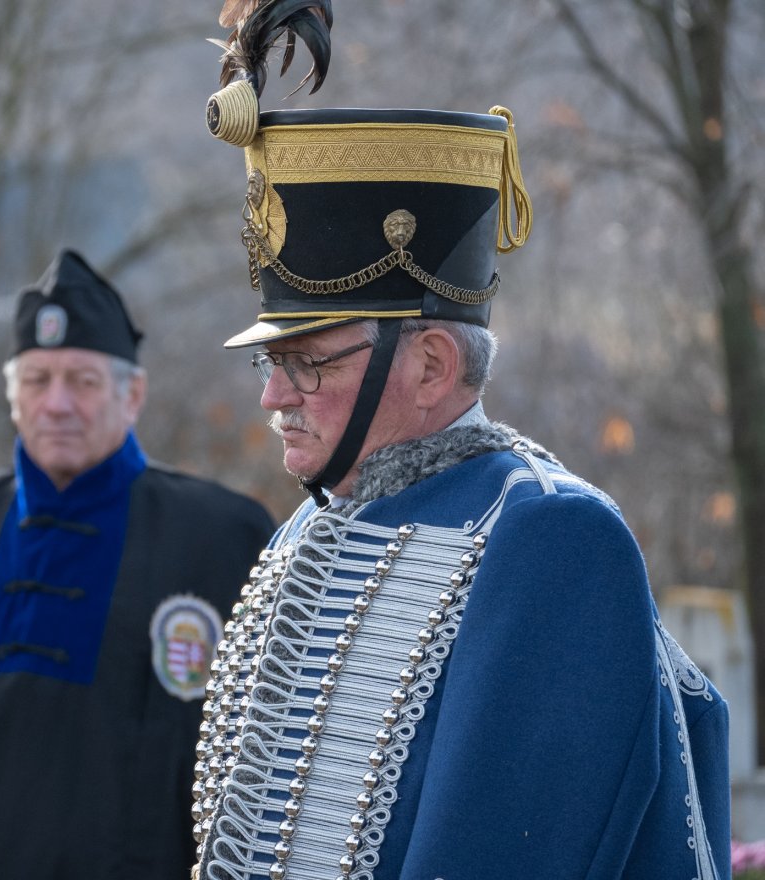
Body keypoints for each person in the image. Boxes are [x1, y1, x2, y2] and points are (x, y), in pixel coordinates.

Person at [190, 3, 731, 879]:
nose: (274, 397)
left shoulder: (551, 537)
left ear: (432, 365)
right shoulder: (310, 527)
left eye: (307, 364)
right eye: (269, 365)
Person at [0, 248, 276, 880]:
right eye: (37, 381)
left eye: (83, 381)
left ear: (133, 394)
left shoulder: (224, 538)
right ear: (12, 395)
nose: (57, 404)